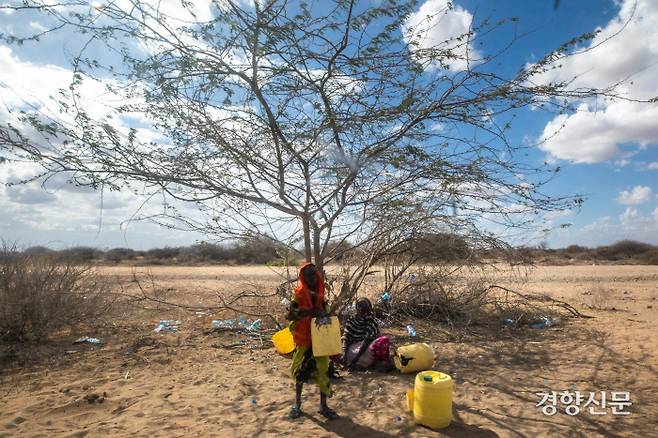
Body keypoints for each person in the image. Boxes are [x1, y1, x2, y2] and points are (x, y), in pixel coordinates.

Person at [286, 263, 339, 420]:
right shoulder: (299, 295)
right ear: (303, 277)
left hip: (320, 339)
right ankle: (297, 405)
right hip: (304, 339)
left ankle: (323, 406)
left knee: (323, 370)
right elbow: (291, 316)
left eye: (313, 274)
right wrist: (310, 312)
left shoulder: (321, 293)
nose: (311, 278)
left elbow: (327, 312)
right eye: (307, 275)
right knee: (300, 372)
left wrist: (322, 312)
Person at [342, 297, 392, 371]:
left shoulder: (356, 320)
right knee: (384, 340)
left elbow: (347, 338)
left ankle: (357, 364)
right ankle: (376, 363)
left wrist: (346, 355)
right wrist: (347, 355)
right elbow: (347, 338)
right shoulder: (367, 320)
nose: (364, 312)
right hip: (360, 353)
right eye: (363, 310)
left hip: (355, 353)